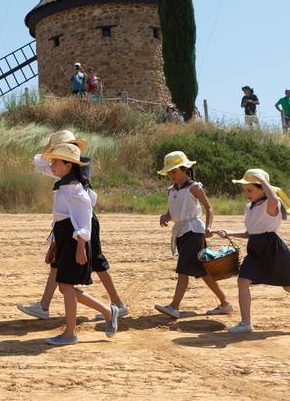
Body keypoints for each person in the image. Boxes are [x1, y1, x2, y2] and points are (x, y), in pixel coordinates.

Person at [18, 130, 127, 323]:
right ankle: (44, 305)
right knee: (61, 264)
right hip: (72, 221)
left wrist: (50, 149)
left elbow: (84, 204)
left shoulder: (75, 167)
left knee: (96, 262)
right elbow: (40, 162)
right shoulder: (64, 166)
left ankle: (117, 305)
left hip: (80, 221)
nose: (52, 160)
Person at [215, 168, 290, 334]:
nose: (246, 193)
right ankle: (245, 323)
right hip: (255, 249)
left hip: (273, 250)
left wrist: (262, 180)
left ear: (263, 188)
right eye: (245, 190)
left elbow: (274, 198)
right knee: (243, 282)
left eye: (250, 190)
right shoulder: (249, 207)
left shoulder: (271, 205)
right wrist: (229, 233)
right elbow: (250, 233)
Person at [39, 142, 119, 345]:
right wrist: (54, 245)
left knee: (66, 287)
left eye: (56, 161)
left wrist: (81, 246)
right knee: (65, 287)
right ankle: (107, 312)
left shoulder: (74, 189)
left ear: (68, 165)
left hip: (75, 243)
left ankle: (70, 333)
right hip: (66, 240)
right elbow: (60, 219)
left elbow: (84, 218)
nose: (52, 165)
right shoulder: (65, 185)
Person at [152, 152, 231, 318]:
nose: (170, 175)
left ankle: (174, 306)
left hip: (194, 231)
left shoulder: (194, 187)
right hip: (181, 232)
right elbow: (172, 211)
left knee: (183, 269)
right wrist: (166, 216)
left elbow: (209, 208)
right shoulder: (171, 190)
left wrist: (208, 228)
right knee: (202, 271)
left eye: (173, 171)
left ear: (184, 169)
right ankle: (225, 303)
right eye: (168, 172)